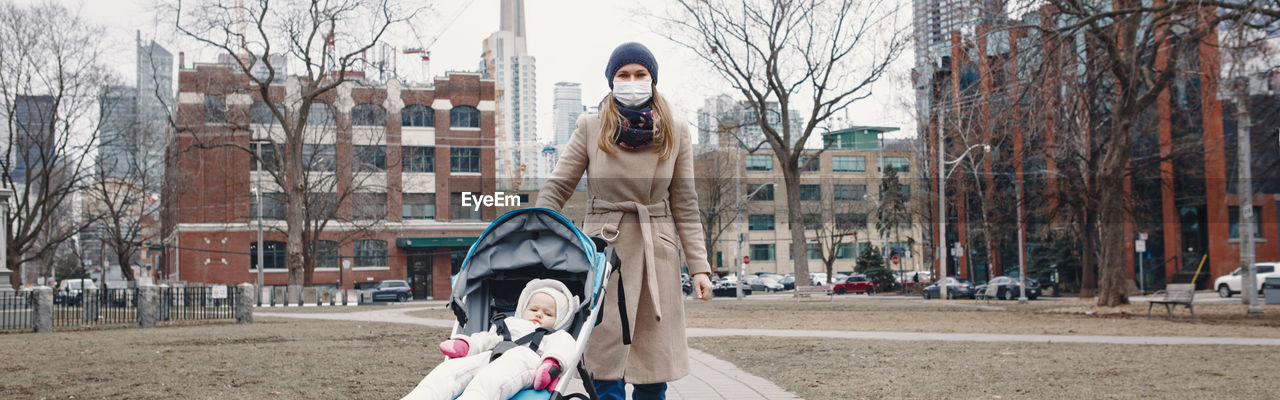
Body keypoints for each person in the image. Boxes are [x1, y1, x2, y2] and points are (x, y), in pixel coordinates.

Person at [535, 41, 715, 400]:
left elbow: (685, 202)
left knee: (652, 369)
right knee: (605, 363)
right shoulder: (590, 126)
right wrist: (538, 236)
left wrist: (699, 267)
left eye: (640, 74)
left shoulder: (676, 130)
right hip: (604, 252)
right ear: (611, 81)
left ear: (652, 80)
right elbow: (557, 188)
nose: (631, 80)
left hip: (656, 254)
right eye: (623, 74)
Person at [402, 279, 579, 400]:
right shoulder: (510, 323)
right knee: (451, 370)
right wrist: (468, 344)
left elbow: (564, 348)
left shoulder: (556, 334)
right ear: (523, 309)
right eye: (534, 309)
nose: (539, 314)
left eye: (548, 313)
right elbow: (488, 339)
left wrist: (551, 365)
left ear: (561, 319)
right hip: (492, 356)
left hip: (527, 362)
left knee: (490, 381)